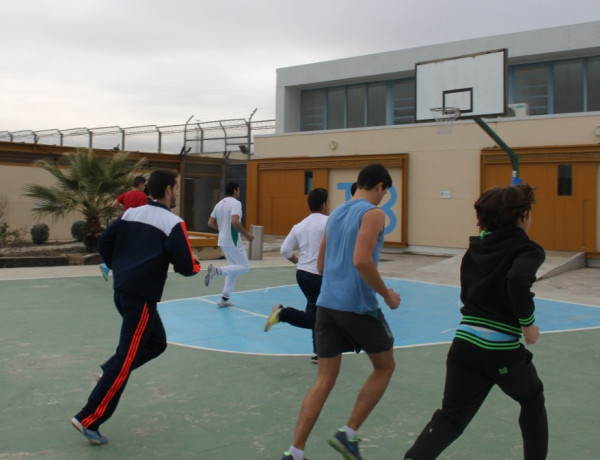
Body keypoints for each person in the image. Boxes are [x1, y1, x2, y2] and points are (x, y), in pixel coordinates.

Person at [404, 183, 547, 460]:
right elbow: (517, 280)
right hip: (500, 351)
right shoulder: (528, 250)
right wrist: (527, 323)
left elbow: (467, 291)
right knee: (532, 399)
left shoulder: (476, 249)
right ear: (524, 216)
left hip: (463, 347)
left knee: (452, 416)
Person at [280, 163, 401, 460]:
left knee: (324, 380)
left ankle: (295, 452)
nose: (383, 198)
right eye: (384, 193)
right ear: (380, 187)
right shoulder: (374, 214)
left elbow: (320, 266)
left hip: (326, 305)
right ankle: (347, 434)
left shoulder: (334, 216)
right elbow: (362, 261)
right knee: (385, 366)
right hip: (357, 306)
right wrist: (387, 295)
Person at [71, 169, 201, 445]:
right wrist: (197, 263)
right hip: (140, 299)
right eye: (176, 188)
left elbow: (104, 241)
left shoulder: (132, 214)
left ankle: (110, 369)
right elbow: (186, 267)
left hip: (123, 292)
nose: (177, 192)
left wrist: (117, 264)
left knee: (157, 343)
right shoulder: (173, 223)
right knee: (126, 358)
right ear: (167, 189)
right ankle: (88, 417)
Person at [263, 188, 329, 364]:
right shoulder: (328, 223)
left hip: (302, 274)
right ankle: (283, 313)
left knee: (314, 309)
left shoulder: (299, 226)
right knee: (322, 316)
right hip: (319, 275)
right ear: (324, 204)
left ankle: (318, 352)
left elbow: (285, 250)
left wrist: (298, 262)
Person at [205, 181, 254, 307]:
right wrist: (246, 235)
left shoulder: (219, 204)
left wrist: (222, 229)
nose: (239, 192)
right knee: (244, 267)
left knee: (234, 268)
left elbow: (210, 223)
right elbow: (235, 221)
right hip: (232, 240)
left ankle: (224, 299)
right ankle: (217, 271)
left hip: (222, 240)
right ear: (236, 191)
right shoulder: (236, 203)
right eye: (239, 190)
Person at [99, 176, 149, 281]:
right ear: (140, 184)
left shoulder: (126, 194)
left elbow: (114, 204)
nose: (144, 187)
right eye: (144, 185)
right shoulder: (142, 195)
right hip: (135, 226)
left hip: (124, 223)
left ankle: (107, 266)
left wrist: (124, 210)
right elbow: (144, 212)